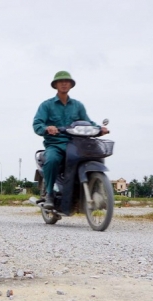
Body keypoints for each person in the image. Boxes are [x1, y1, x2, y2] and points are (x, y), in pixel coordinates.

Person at [32, 71, 108, 209]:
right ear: (55, 85)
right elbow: (37, 124)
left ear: (71, 85)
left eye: (67, 81)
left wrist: (99, 128)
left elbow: (88, 122)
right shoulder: (46, 105)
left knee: (96, 155)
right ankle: (49, 193)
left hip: (77, 144)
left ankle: (94, 188)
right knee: (52, 160)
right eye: (61, 81)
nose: (64, 83)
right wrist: (47, 128)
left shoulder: (78, 106)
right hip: (56, 144)